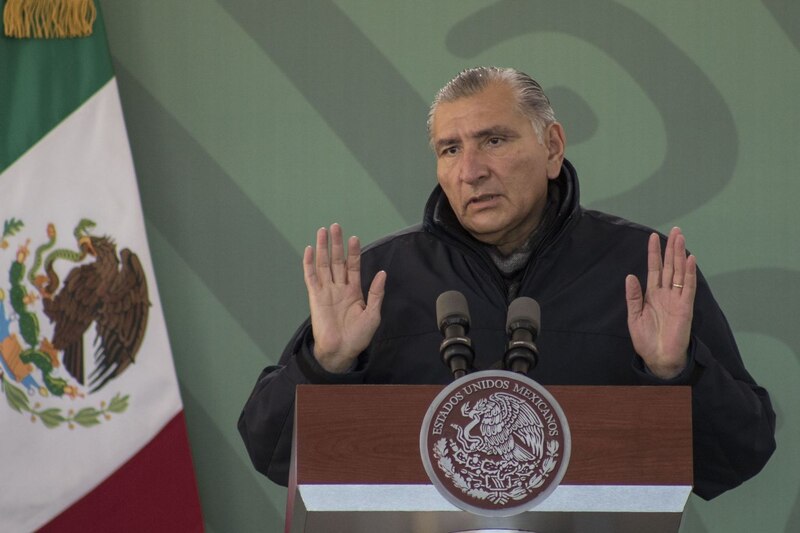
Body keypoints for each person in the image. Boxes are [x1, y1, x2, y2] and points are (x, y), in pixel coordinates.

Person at [238, 67, 776, 500]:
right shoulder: (379, 280)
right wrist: (325, 365)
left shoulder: (644, 270)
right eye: (450, 149)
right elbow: (271, 455)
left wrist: (674, 373)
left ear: (553, 147)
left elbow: (737, 457)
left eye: (493, 140)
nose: (471, 170)